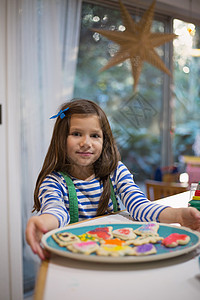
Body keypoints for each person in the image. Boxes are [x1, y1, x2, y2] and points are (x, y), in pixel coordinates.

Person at [26, 98, 200, 260]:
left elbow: (139, 206)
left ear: (104, 140)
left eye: (95, 135)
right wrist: (42, 222)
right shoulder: (54, 181)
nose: (86, 142)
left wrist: (178, 215)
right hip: (78, 258)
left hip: (115, 254)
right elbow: (56, 211)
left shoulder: (116, 171)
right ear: (60, 138)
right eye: (77, 133)